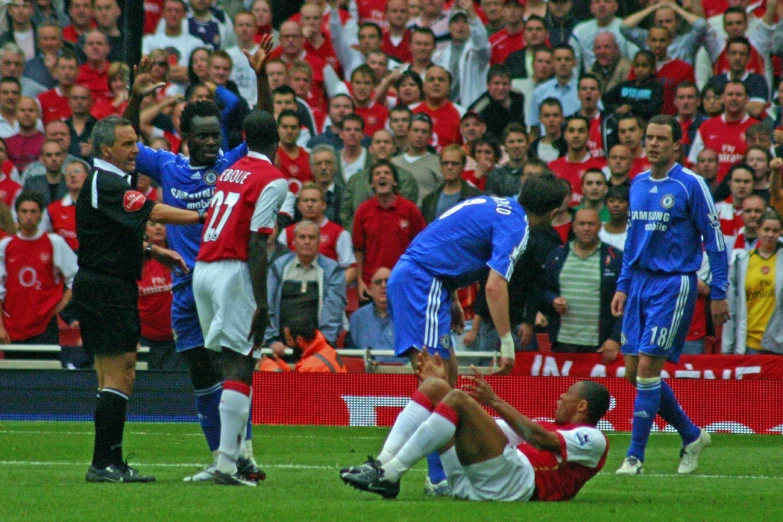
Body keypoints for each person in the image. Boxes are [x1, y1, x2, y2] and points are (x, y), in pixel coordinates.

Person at [123, 38, 275, 482]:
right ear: (185, 137)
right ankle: (221, 457)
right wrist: (135, 96)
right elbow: (129, 144)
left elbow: (263, 127)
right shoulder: (169, 167)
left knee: (233, 366)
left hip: (226, 279)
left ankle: (242, 454)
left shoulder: (233, 163)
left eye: (216, 135)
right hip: (183, 287)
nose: (212, 142)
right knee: (200, 375)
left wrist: (260, 74)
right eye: (203, 136)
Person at [73, 116, 204, 483]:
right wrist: (208, 214)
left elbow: (109, 237)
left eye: (135, 142)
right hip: (107, 288)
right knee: (121, 373)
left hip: (105, 283)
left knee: (112, 375)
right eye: (128, 144)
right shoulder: (106, 182)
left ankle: (108, 460)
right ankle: (105, 463)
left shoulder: (106, 180)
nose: (136, 150)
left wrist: (150, 251)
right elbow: (154, 210)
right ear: (106, 150)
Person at [608, 115, 728, 476]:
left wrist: (718, 291)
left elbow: (715, 240)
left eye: (661, 138)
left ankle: (635, 457)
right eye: (649, 137)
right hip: (640, 282)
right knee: (633, 372)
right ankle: (691, 435)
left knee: (647, 368)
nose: (653, 143)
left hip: (673, 284)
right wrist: (623, 284)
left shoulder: (691, 184)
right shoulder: (638, 184)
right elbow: (632, 242)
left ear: (678, 144)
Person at [341, 351, 611, 502]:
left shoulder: (594, 438)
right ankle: (383, 465)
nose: (560, 397)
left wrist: (492, 400)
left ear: (582, 407)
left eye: (567, 394)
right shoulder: (552, 425)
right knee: (437, 388)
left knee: (457, 399)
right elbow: (491, 429)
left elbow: (541, 440)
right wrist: (445, 393)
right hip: (481, 480)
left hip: (516, 486)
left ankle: (390, 473)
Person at [192, 108, 287, 487]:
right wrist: (262, 302)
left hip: (203, 267)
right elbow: (257, 240)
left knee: (224, 361)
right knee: (241, 364)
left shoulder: (231, 170)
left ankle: (231, 460)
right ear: (277, 142)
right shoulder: (275, 179)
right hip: (233, 270)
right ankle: (228, 465)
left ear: (244, 139)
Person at [0, 190, 77, 347]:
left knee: (46, 369)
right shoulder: (6, 246)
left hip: (45, 324)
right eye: (24, 211)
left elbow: (75, 276)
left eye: (33, 211)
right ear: (17, 214)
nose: (29, 216)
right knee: (16, 371)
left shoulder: (54, 242)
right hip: (13, 325)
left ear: (41, 215)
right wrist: (0, 327)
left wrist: (62, 304)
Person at [542, 207, 622, 354]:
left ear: (600, 226)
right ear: (574, 227)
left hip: (601, 344)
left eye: (591, 224)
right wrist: (553, 300)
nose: (586, 229)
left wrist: (615, 338)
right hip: (562, 341)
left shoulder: (615, 258)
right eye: (582, 224)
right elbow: (542, 289)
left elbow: (625, 302)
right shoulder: (557, 255)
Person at [265, 219, 347, 354]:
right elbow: (268, 306)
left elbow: (333, 312)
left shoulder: (333, 270)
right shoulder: (278, 267)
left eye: (312, 237)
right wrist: (272, 340)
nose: (307, 242)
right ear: (294, 241)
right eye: (302, 237)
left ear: (319, 241)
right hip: (281, 348)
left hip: (318, 349)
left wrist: (322, 343)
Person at [353, 159, 426, 299]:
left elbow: (421, 246)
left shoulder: (410, 209)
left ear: (395, 182)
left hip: (404, 282)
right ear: (371, 183)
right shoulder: (363, 210)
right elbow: (358, 249)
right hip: (372, 285)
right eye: (377, 174)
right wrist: (360, 281)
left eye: (387, 173)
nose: (382, 176)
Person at [723, 210, 783, 355]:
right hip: (749, 342)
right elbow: (732, 307)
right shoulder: (741, 262)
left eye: (775, 231)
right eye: (766, 229)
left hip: (779, 342)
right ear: (758, 230)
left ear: (780, 232)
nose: (770, 234)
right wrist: (727, 348)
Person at [138, 220, 181, 370]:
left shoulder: (178, 256)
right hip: (144, 338)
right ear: (145, 230)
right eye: (152, 224)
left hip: (176, 337)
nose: (158, 227)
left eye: (163, 224)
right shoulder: (136, 260)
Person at [421, 144, 481, 223]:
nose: (449, 167)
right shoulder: (429, 200)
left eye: (455, 163)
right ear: (440, 166)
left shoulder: (476, 198)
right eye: (445, 163)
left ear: (463, 166)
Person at [46, 159, 88, 252]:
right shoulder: (53, 209)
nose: (72, 175)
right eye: (68, 173)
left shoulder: (97, 206)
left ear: (87, 177)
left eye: (77, 172)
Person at [599, 184, 630, 251]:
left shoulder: (634, 231)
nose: (616, 205)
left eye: (621, 201)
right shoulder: (598, 229)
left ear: (629, 204)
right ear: (606, 204)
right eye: (611, 201)